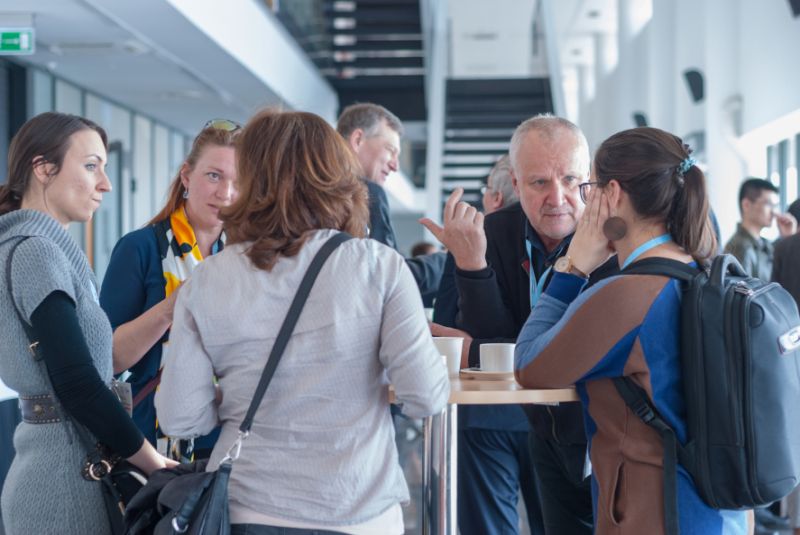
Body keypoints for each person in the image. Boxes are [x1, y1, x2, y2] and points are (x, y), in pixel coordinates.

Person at [155, 109, 449, 535]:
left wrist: (236, 395)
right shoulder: (379, 267)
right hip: (358, 510)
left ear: (251, 180)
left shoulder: (208, 278)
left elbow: (183, 419)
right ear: (338, 176)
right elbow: (425, 397)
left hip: (247, 510)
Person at [514, 126, 748, 534]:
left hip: (655, 518)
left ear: (613, 194)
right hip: (725, 514)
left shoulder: (625, 297)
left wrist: (573, 267)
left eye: (589, 188)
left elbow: (529, 364)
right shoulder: (709, 276)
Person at [423, 116, 614, 535]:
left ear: (590, 179)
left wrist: (479, 347)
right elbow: (492, 344)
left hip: (595, 426)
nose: (558, 197)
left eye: (569, 179)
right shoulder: (490, 232)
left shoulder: (613, 238)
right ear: (514, 180)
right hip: (512, 417)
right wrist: (473, 267)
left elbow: (577, 348)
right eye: (539, 183)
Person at [0, 112, 172, 535]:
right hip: (61, 486)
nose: (105, 184)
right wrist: (154, 464)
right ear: (43, 169)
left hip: (63, 468)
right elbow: (76, 381)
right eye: (92, 165)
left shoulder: (35, 248)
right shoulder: (37, 252)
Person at [99, 120, 239, 460]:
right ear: (187, 176)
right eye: (214, 176)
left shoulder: (245, 257)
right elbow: (107, 357)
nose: (226, 193)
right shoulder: (141, 248)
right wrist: (169, 308)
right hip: (152, 449)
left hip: (228, 445)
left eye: (239, 181)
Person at [429, 154, 542, 535]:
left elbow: (445, 327)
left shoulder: (470, 242)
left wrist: (474, 346)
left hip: (485, 414)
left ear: (494, 198)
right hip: (553, 411)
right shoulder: (572, 240)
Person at [336, 102, 445, 302]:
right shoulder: (368, 194)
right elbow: (391, 280)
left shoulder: (308, 192)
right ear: (358, 139)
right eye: (390, 150)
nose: (395, 166)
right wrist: (448, 260)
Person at [724, 177, 796, 280]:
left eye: (775, 206)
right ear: (746, 205)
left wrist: (788, 238)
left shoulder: (763, 245)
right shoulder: (740, 248)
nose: (774, 212)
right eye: (768, 204)